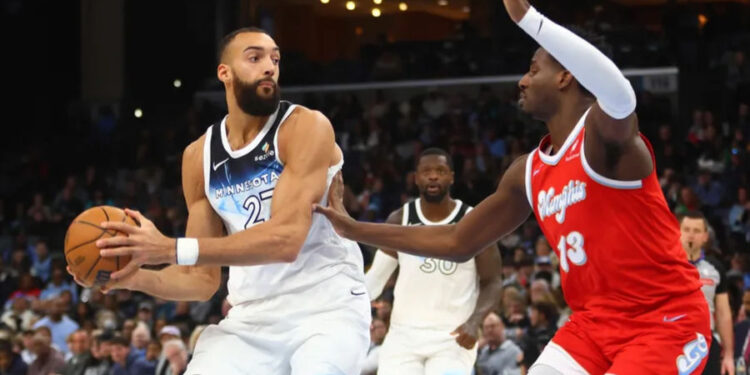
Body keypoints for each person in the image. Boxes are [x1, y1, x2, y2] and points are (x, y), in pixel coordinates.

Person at [314, 0, 711, 373]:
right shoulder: (528, 171)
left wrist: (528, 18)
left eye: (534, 69)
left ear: (566, 74)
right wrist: (354, 228)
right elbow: (457, 241)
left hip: (664, 320)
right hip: (592, 326)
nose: (522, 81)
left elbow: (621, 95)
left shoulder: (603, 139)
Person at [71, 26, 369, 375]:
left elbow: (286, 240)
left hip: (327, 308)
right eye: (255, 57)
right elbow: (201, 281)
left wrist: (168, 248)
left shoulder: (304, 127)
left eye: (275, 58)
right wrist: (132, 278)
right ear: (224, 73)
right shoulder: (198, 156)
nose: (270, 66)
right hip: (252, 316)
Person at [365, 147, 503, 375]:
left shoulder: (474, 222)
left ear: (452, 177)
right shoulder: (400, 219)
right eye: (426, 171)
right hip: (403, 336)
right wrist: (342, 302)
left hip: (453, 337)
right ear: (416, 178)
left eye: (440, 170)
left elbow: (493, 281)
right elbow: (376, 279)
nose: (433, 175)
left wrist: (475, 321)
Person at [680, 211, 735, 375]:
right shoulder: (664, 266)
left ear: (705, 236)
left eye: (696, 231)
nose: (691, 235)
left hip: (706, 341)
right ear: (678, 233)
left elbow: (724, 314)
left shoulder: (715, 269)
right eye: (687, 229)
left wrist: (729, 356)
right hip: (672, 337)